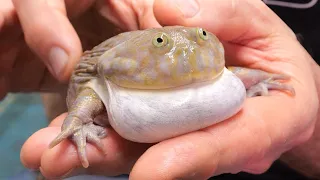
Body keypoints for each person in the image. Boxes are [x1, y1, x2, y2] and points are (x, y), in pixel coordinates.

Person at [1, 0, 320, 179]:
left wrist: (275, 83)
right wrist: (75, 119)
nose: (188, 53)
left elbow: (233, 75)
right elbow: (90, 92)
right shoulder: (116, 63)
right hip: (122, 126)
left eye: (203, 37)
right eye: (162, 44)